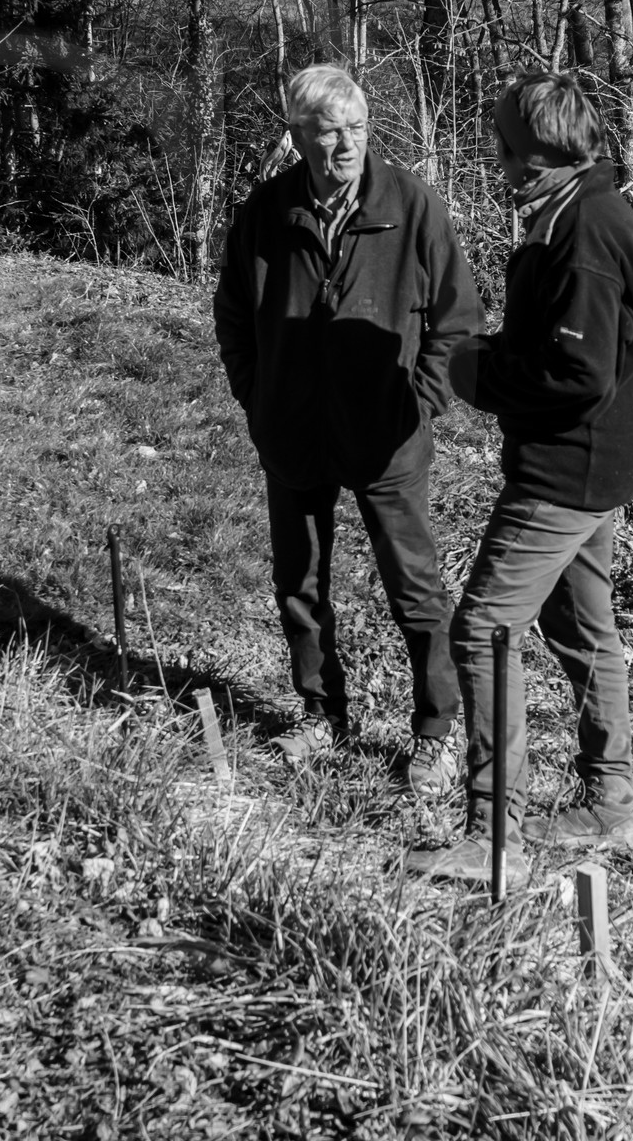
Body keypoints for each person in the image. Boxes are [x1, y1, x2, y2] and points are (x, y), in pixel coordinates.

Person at [409, 71, 633, 883]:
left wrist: (478, 373)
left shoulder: (584, 232)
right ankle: (611, 806)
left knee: (483, 630)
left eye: (510, 151)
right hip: (597, 467)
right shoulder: (581, 211)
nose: (501, 164)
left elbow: (576, 374)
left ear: (545, 154)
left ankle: (494, 841)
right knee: (583, 627)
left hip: (566, 471)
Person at [214, 64, 482, 793]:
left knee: (416, 587)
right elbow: (234, 315)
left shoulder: (411, 206)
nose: (345, 146)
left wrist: (418, 402)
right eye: (328, 132)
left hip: (387, 434)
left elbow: (458, 322)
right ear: (297, 137)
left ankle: (434, 732)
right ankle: (321, 712)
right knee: (297, 581)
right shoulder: (266, 212)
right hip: (293, 430)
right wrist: (257, 394)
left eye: (356, 130)